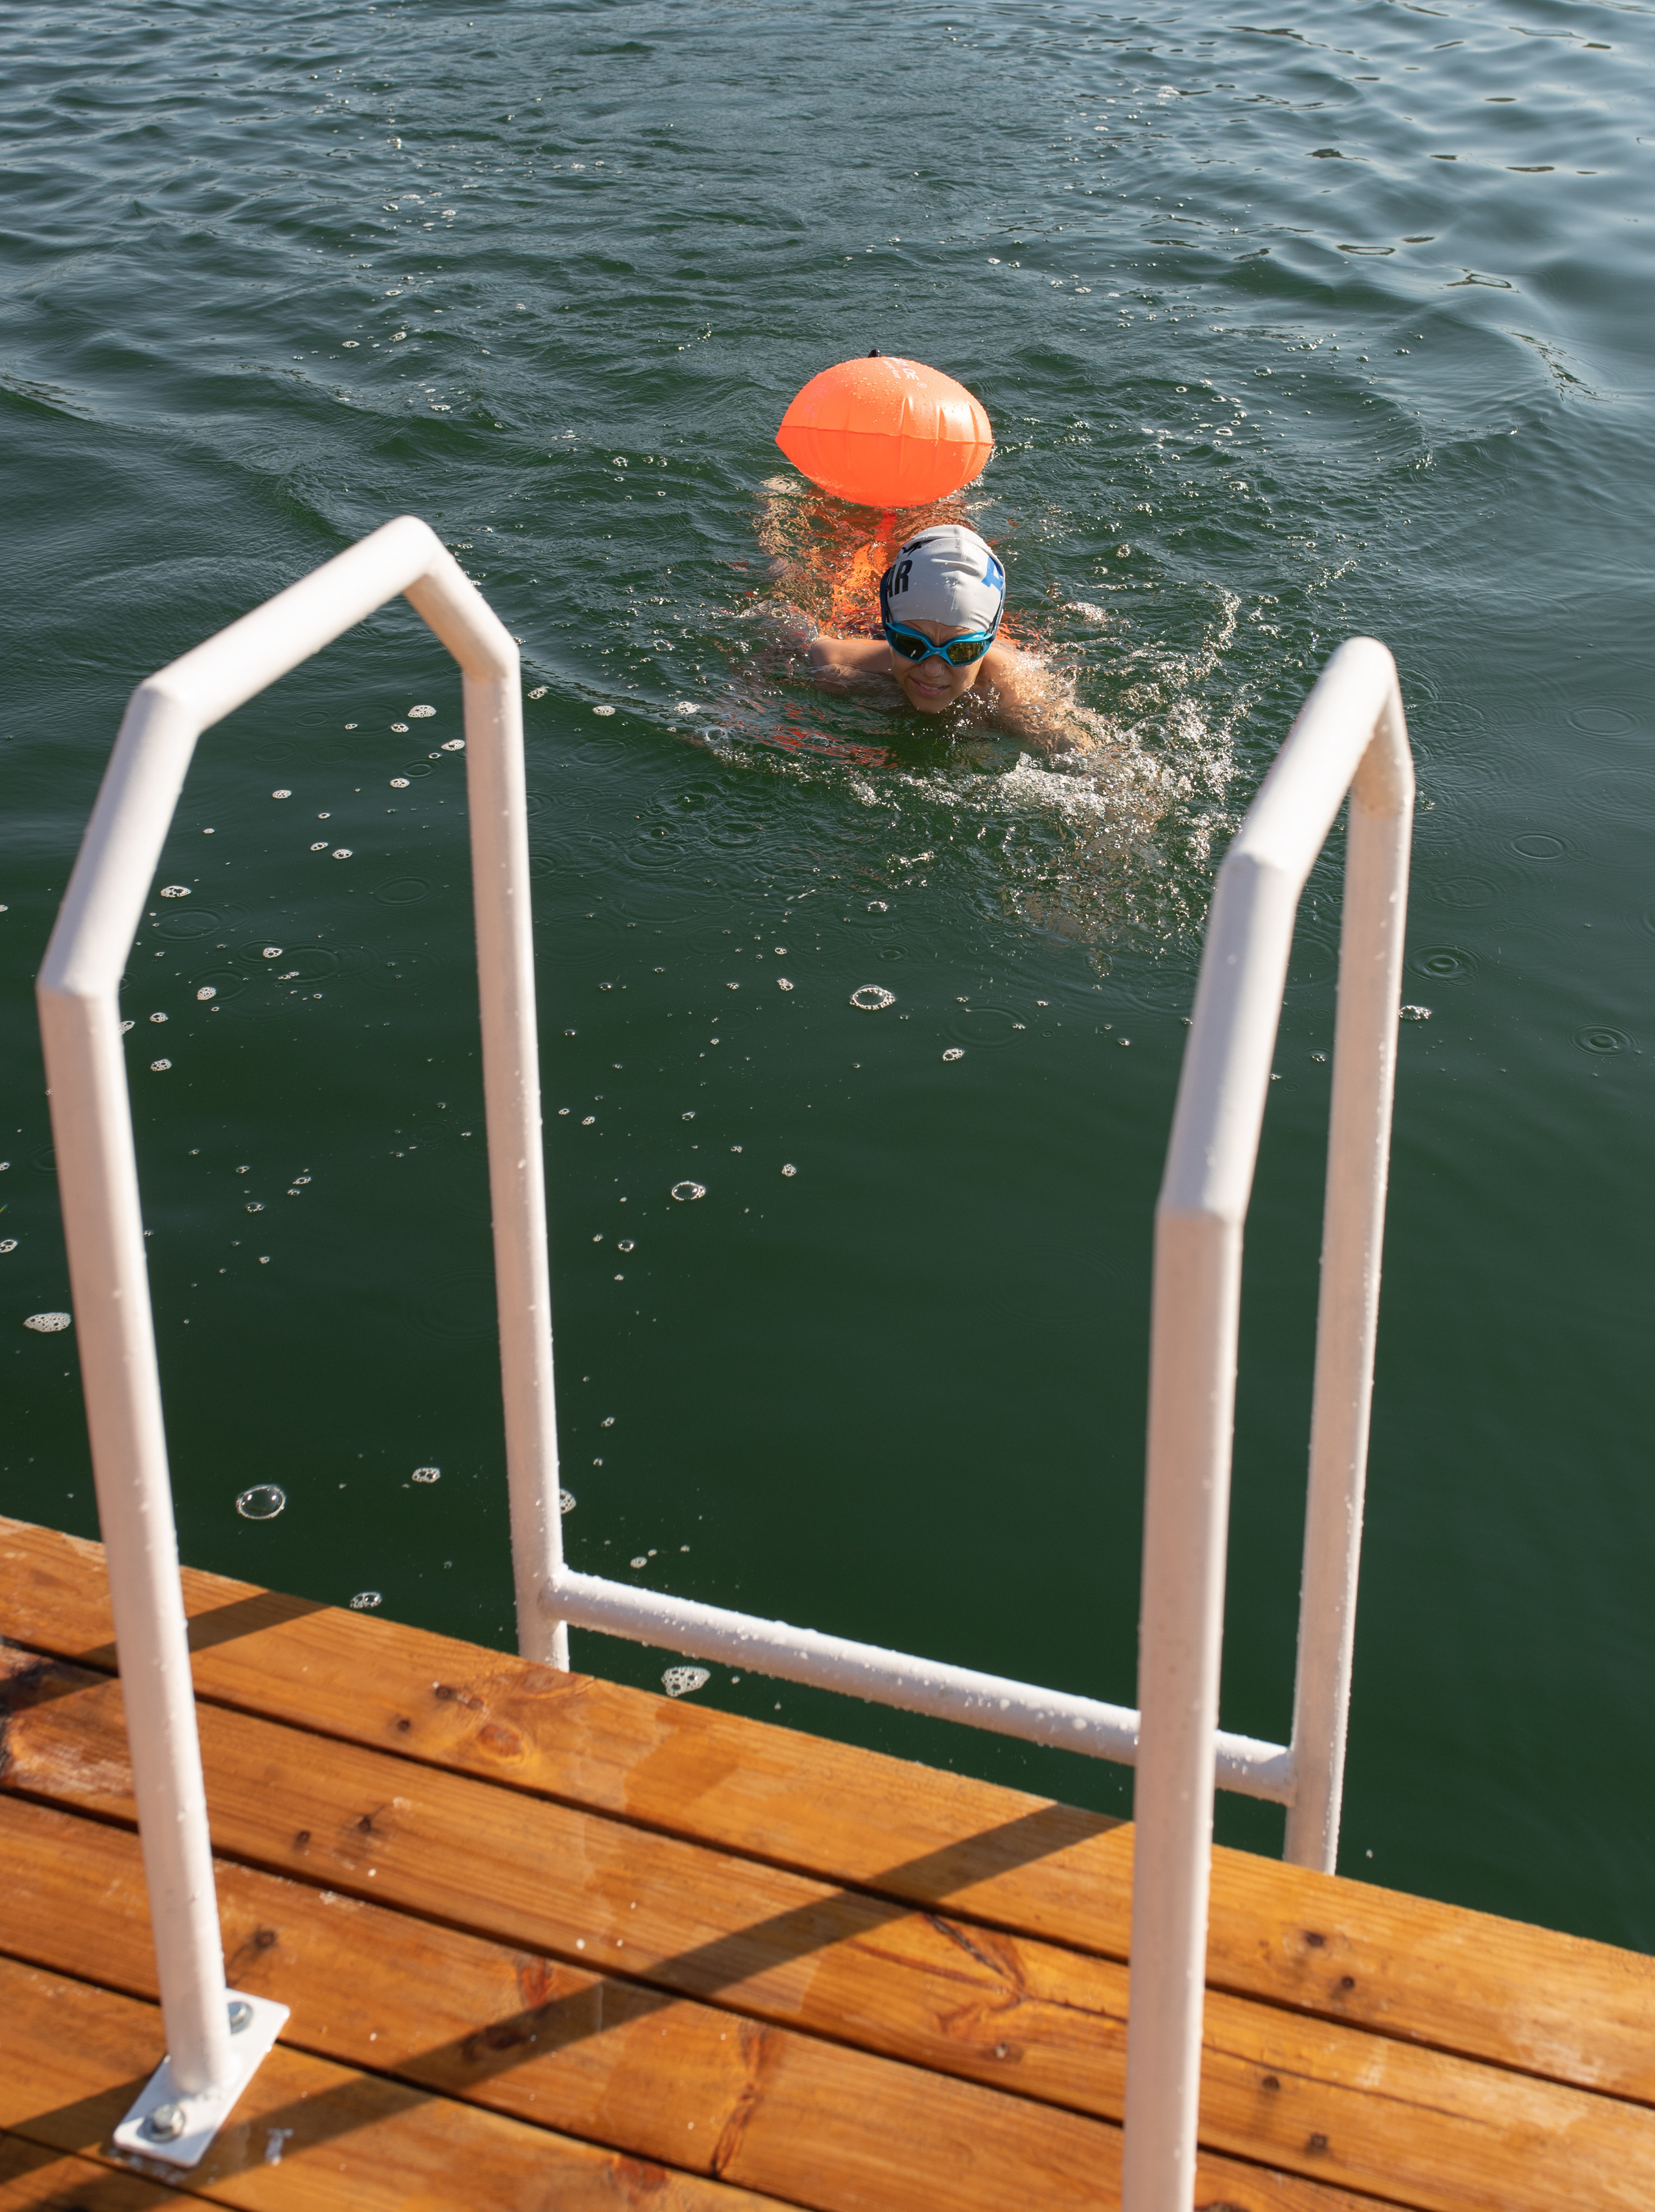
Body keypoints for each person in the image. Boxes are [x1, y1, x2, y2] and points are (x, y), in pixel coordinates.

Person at [804, 522, 1098, 754]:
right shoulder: (835, 666)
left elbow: (1088, 757)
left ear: (987, 642)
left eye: (961, 652)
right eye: (911, 644)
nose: (932, 670)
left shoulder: (1011, 691)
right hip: (860, 624)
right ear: (889, 628)